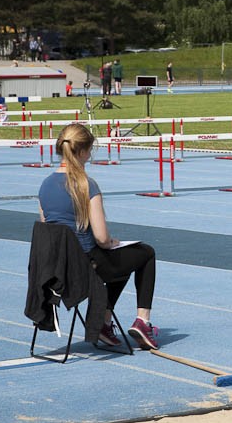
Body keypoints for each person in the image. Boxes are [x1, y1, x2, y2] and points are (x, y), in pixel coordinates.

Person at [38, 123, 160, 348]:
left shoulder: (44, 186)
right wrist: (113, 242)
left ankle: (103, 322)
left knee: (123, 263)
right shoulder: (86, 185)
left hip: (55, 270)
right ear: (84, 151)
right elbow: (102, 239)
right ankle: (143, 321)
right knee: (145, 253)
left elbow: (47, 231)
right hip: (86, 266)